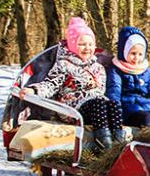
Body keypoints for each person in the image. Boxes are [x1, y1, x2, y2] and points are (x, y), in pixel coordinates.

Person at [21, 17, 125, 153]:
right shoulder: (64, 64)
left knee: (113, 104)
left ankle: (119, 143)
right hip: (73, 109)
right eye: (82, 44)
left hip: (95, 108)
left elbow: (100, 91)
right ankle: (105, 147)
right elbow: (51, 84)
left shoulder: (98, 67)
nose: (87, 48)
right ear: (73, 45)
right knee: (98, 103)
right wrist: (34, 90)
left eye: (90, 44)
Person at [105, 26, 150, 129]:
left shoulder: (144, 70)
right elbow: (114, 92)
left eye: (140, 54)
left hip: (146, 107)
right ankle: (147, 139)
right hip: (127, 111)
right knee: (148, 118)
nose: (136, 58)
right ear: (124, 51)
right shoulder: (116, 69)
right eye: (133, 53)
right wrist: (116, 112)